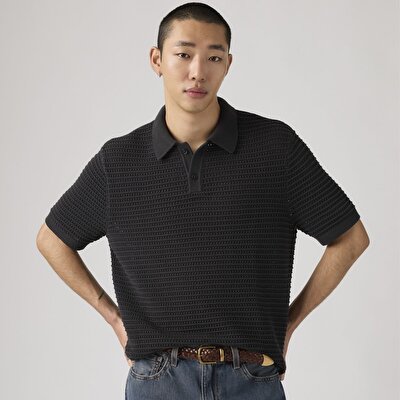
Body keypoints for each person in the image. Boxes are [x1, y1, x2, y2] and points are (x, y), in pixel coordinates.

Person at [36, 2, 370, 399]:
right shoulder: (119, 162)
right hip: (158, 382)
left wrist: (290, 322)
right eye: (183, 54)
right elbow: (52, 240)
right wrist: (112, 316)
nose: (198, 71)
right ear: (157, 60)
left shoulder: (275, 149)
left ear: (228, 64)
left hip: (250, 379)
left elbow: (350, 238)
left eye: (214, 57)